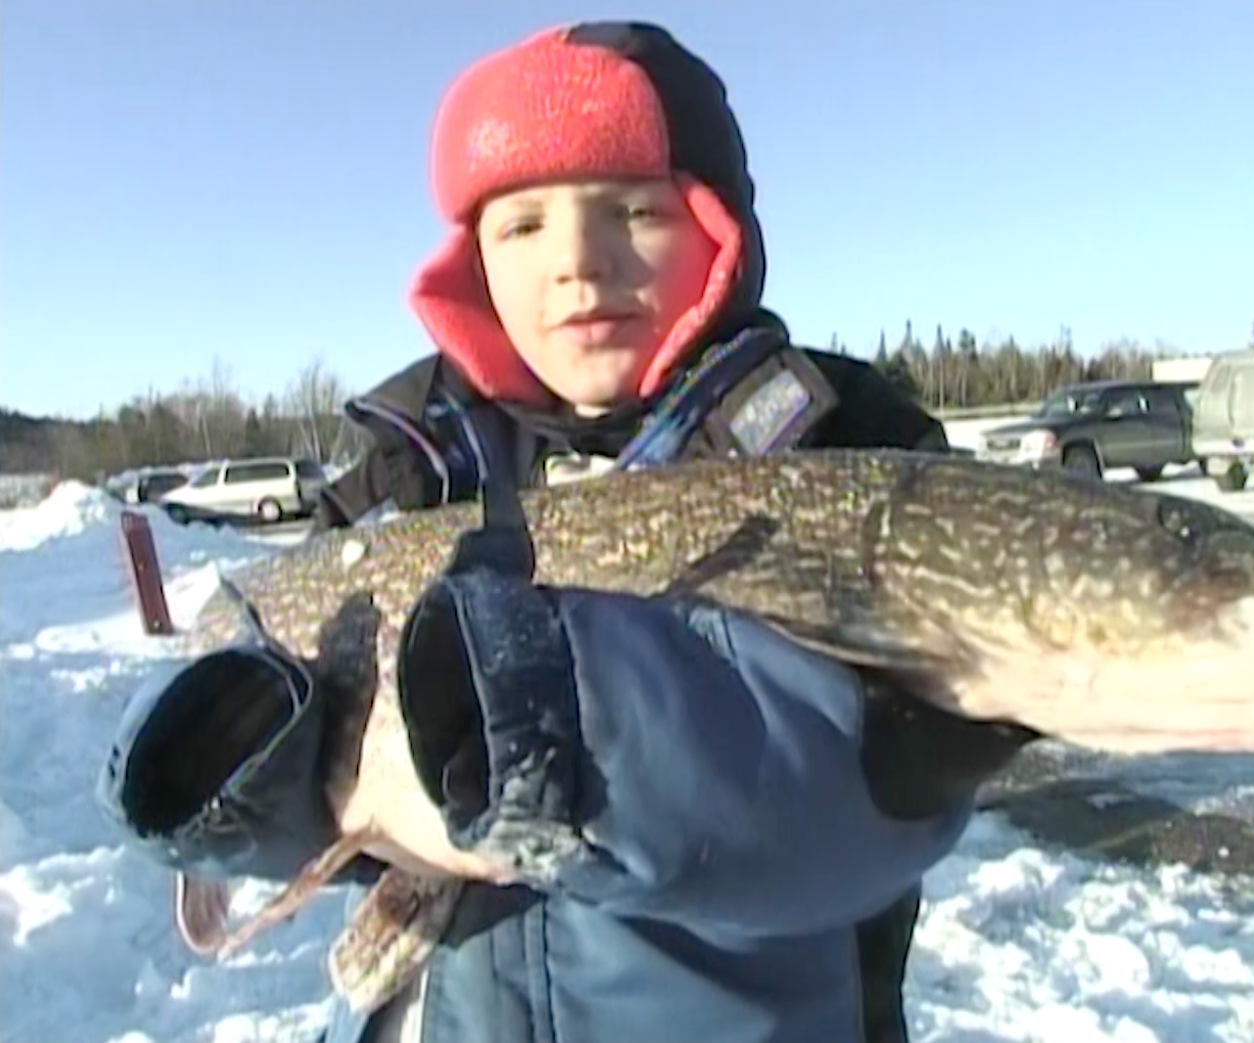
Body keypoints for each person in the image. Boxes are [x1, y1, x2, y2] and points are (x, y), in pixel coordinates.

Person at [99, 21, 1040, 1043]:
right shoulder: (407, 467)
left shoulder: (842, 444)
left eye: (633, 210)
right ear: (470, 265)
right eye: (521, 227)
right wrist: (223, 757)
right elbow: (284, 750)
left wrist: (542, 732)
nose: (578, 264)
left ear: (722, 229)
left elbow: (872, 789)